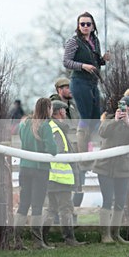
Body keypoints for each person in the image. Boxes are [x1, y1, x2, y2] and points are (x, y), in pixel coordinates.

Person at [93, 96, 129, 244]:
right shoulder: (108, 119)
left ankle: (116, 234)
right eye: (123, 106)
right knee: (107, 200)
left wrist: (128, 123)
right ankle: (105, 235)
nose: (125, 110)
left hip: (122, 169)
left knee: (120, 201)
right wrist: (115, 120)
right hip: (105, 166)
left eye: (128, 107)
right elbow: (102, 132)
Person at [63, 11, 111, 154]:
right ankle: (83, 151)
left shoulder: (95, 40)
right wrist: (83, 66)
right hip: (79, 81)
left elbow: (96, 62)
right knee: (86, 116)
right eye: (82, 24)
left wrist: (103, 59)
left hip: (93, 82)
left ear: (92, 26)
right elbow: (66, 62)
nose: (85, 26)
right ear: (78, 26)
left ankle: (94, 147)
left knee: (96, 115)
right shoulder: (73, 42)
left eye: (88, 24)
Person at [13, 97, 58, 250]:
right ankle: (38, 242)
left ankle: (16, 241)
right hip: (40, 170)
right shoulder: (45, 126)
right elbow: (53, 150)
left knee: (23, 206)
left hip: (24, 168)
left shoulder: (24, 123)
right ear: (48, 109)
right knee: (37, 206)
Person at [42, 101, 84, 246]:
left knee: (52, 209)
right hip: (60, 177)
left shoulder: (53, 127)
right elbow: (58, 152)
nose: (66, 113)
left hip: (53, 177)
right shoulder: (56, 129)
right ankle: (69, 239)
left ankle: (42, 238)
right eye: (64, 111)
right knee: (65, 209)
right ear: (59, 112)